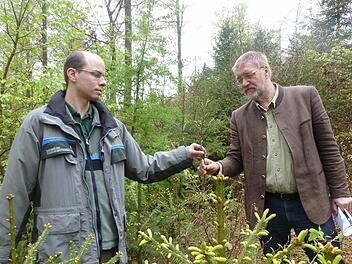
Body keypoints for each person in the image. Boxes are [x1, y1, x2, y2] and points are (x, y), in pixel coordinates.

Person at [0, 51, 205, 264]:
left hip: (112, 253)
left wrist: (184, 154)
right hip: (63, 254)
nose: (103, 82)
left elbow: (145, 168)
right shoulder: (39, 124)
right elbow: (15, 193)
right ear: (72, 74)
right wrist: (3, 254)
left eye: (103, 76)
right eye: (96, 75)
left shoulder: (113, 128)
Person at [199, 51, 352, 260]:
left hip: (310, 201)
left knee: (326, 259)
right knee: (275, 259)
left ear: (266, 71)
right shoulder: (239, 117)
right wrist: (218, 166)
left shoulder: (306, 96)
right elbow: (236, 158)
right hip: (268, 208)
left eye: (248, 75)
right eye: (239, 80)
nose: (244, 83)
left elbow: (328, 147)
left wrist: (340, 192)